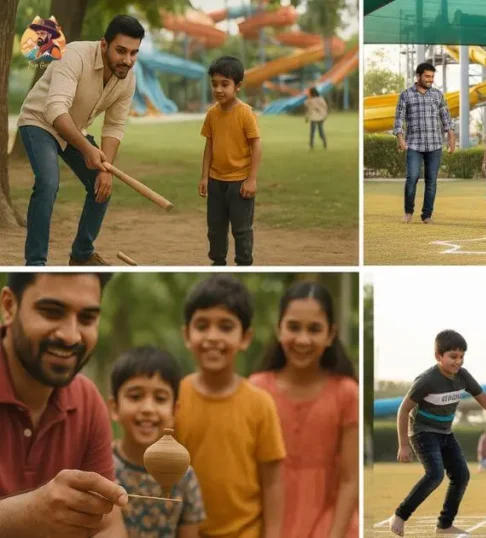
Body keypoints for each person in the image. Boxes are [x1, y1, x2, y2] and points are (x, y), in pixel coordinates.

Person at [0, 273, 129, 537]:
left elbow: (108, 525)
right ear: (9, 306)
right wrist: (24, 515)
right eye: (51, 312)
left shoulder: (87, 401)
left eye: (87, 318)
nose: (71, 336)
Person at [16, 15, 144, 266]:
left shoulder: (127, 80)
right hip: (40, 122)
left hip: (74, 129)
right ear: (104, 45)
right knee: (48, 183)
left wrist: (106, 169)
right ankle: (36, 263)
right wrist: (87, 149)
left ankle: (81, 255)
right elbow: (54, 109)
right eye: (121, 51)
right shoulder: (74, 54)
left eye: (133, 53)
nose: (127, 60)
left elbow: (115, 126)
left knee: (101, 185)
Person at [174, 276, 286, 538]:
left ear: (245, 338)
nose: (213, 337)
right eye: (202, 326)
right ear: (187, 335)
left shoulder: (260, 404)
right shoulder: (173, 400)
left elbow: (272, 484)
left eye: (226, 327)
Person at [388, 330, 486, 537]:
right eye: (453, 356)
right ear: (438, 356)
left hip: (445, 433)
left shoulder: (463, 376)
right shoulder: (426, 380)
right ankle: (399, 514)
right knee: (435, 474)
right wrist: (403, 444)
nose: (458, 361)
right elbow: (403, 409)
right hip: (422, 432)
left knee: (461, 476)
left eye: (461, 357)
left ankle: (444, 526)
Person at [250, 281, 359, 538]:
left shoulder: (346, 392)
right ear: (279, 329)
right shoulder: (256, 389)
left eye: (314, 329)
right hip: (266, 525)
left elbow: (349, 480)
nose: (303, 339)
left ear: (331, 334)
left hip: (331, 525)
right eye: (293, 327)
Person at [109, 346, 206, 537]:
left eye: (160, 398)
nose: (147, 408)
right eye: (135, 396)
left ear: (174, 411)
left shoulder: (183, 475)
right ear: (114, 408)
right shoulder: (101, 467)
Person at [199, 56, 262, 266]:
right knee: (215, 229)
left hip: (239, 183)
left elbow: (256, 145)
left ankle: (244, 264)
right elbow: (209, 146)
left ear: (238, 86)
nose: (218, 89)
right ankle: (217, 263)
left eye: (225, 84)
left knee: (241, 230)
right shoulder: (211, 114)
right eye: (214, 84)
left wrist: (251, 179)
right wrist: (204, 177)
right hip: (216, 181)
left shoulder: (245, 113)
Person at [393, 62, 456, 224]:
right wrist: (400, 137)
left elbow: (446, 117)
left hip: (435, 144)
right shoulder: (406, 95)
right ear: (418, 76)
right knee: (412, 177)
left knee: (431, 181)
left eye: (432, 77)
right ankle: (408, 212)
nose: (430, 80)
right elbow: (399, 118)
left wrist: (451, 137)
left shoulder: (437, 95)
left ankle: (427, 215)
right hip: (413, 144)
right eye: (427, 76)